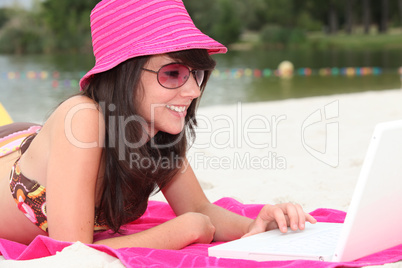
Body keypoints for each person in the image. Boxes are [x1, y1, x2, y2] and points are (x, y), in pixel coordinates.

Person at [0, 0, 316, 249]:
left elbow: (200, 210)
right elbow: (70, 249)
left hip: (37, 142)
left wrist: (255, 226)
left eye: (197, 74)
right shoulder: (83, 118)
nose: (193, 91)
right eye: (173, 73)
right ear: (124, 73)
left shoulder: (158, 132)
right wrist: (181, 230)